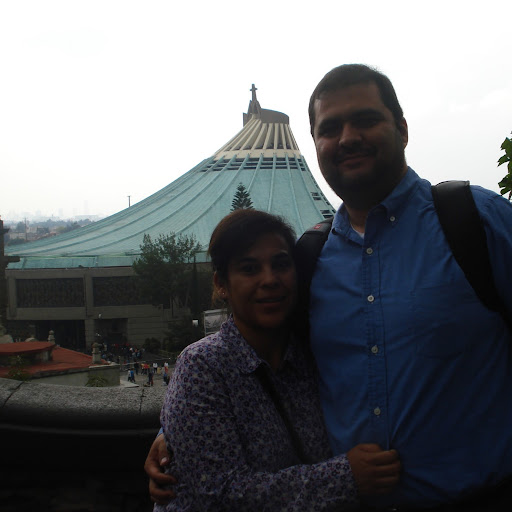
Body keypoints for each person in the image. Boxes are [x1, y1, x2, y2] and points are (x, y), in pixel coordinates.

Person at [146, 64, 512, 509]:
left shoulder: (475, 222)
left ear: (402, 129)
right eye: (330, 128)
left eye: (365, 120)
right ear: (315, 142)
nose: (348, 138)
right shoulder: (311, 258)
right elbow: (263, 362)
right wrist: (177, 431)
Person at [153, 208, 400, 511]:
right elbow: (220, 492)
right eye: (249, 269)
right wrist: (347, 477)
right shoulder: (203, 366)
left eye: (281, 264)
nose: (270, 279)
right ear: (221, 284)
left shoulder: (312, 356)